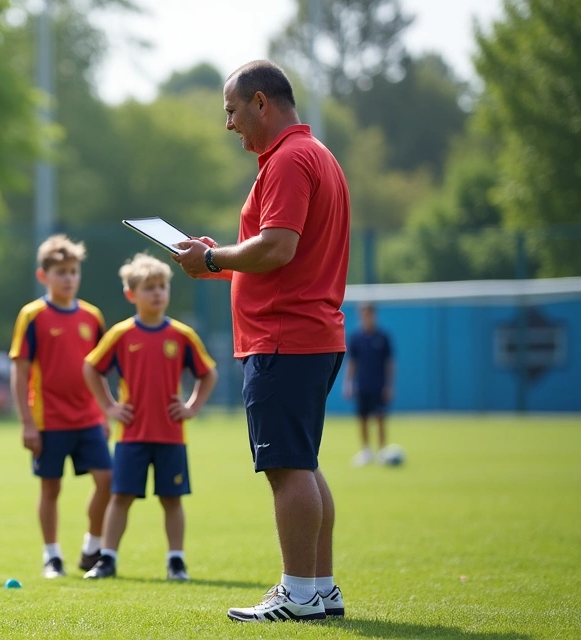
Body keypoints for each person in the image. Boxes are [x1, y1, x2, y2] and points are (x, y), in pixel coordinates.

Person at [173, 60, 350, 622]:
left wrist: (212, 257)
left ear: (260, 104)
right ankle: (319, 589)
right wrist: (215, 259)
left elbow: (277, 248)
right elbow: (275, 257)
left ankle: (298, 594)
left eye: (231, 111)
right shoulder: (314, 154)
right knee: (302, 463)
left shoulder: (291, 160)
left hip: (284, 338)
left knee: (287, 468)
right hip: (306, 333)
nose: (229, 125)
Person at [81, 254, 218, 582]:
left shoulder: (182, 335)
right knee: (121, 497)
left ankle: (176, 561)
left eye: (162, 286)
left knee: (172, 499)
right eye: (149, 288)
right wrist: (110, 407)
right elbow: (91, 367)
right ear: (132, 294)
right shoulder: (120, 334)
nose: (157, 293)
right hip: (131, 435)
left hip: (171, 434)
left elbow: (207, 373)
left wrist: (193, 407)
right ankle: (107, 559)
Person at [9, 234, 112, 579]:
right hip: (48, 420)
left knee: (107, 480)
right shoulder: (32, 316)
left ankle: (91, 547)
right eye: (61, 272)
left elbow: (99, 370)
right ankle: (52, 556)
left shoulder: (92, 316)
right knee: (50, 487)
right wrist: (27, 422)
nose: (68, 278)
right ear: (44, 276)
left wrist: (106, 410)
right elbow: (20, 373)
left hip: (88, 418)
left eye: (73, 271)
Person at [345, 303, 395, 466]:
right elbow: (352, 363)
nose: (365, 317)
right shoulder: (356, 337)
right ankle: (366, 451)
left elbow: (389, 363)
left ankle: (381, 451)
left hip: (379, 385)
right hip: (362, 384)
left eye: (368, 313)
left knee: (380, 417)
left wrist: (389, 385)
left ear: (374, 314)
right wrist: (348, 383)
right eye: (363, 314)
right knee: (363, 418)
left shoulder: (383, 337)